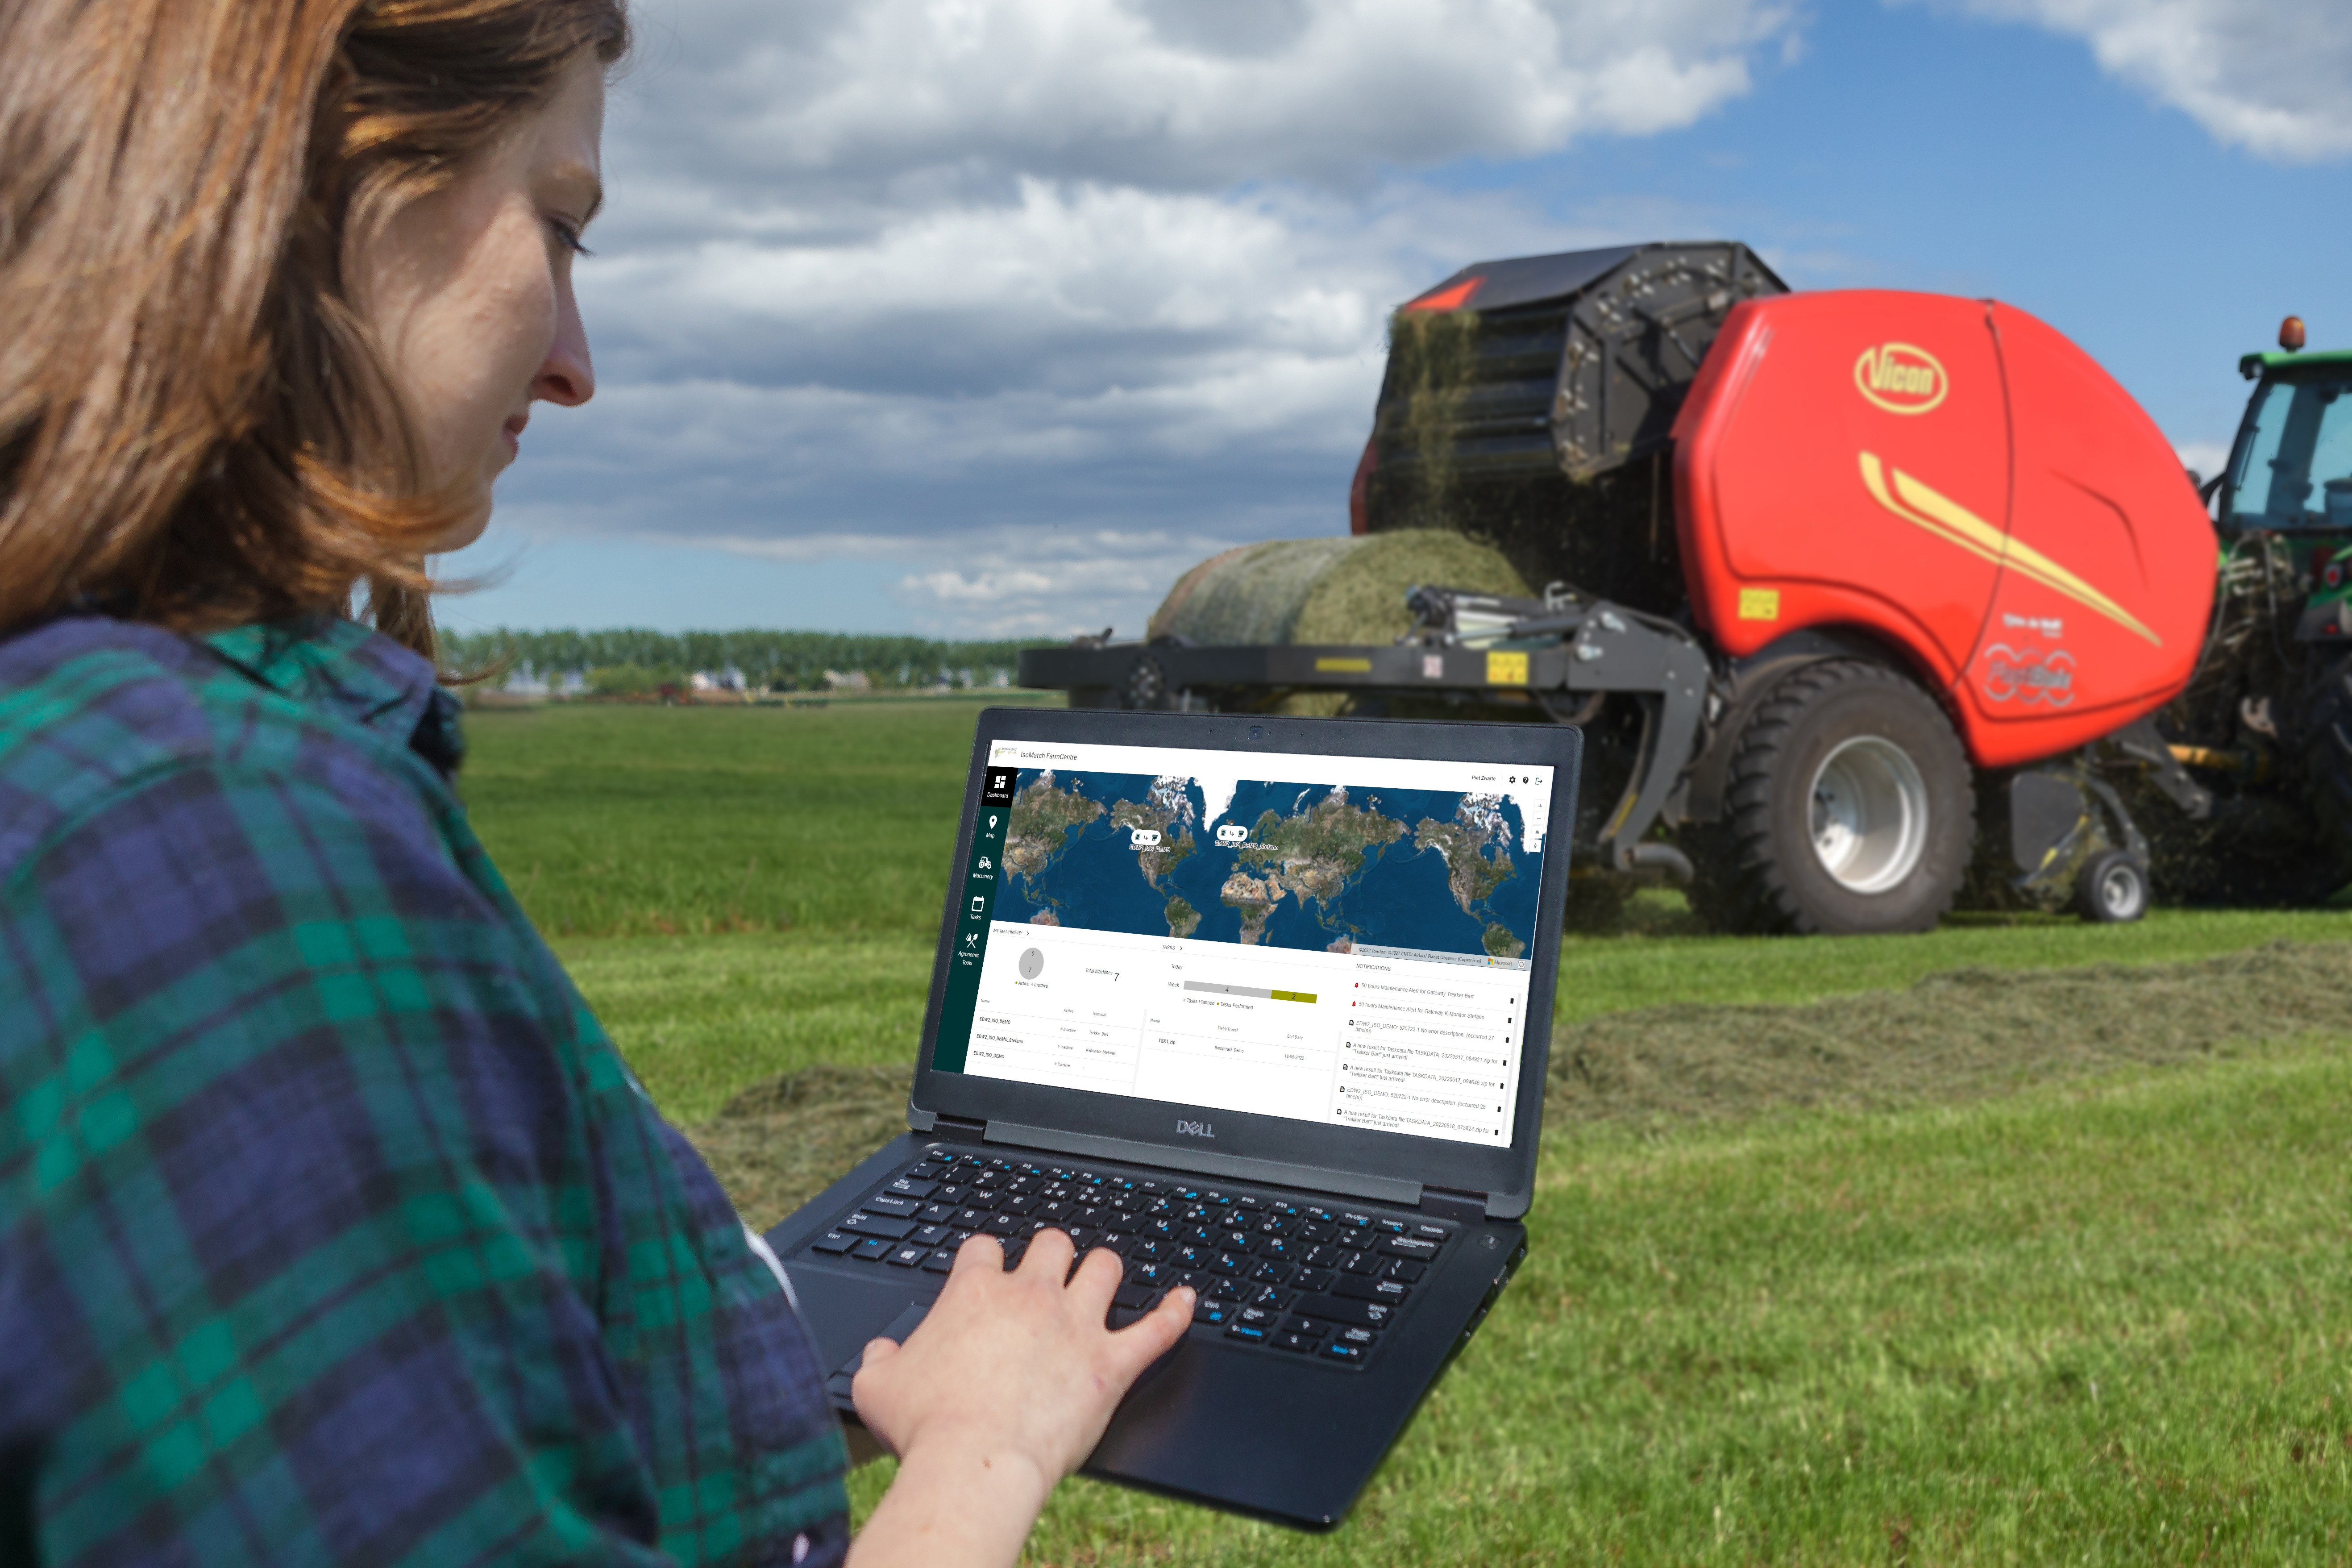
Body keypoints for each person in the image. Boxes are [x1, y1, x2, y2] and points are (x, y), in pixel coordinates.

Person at [0, 3, 1195, 1564]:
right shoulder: (215, 857)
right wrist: (985, 1447)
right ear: (317, 176)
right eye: (556, 224)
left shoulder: (89, 739)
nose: (575, 364)